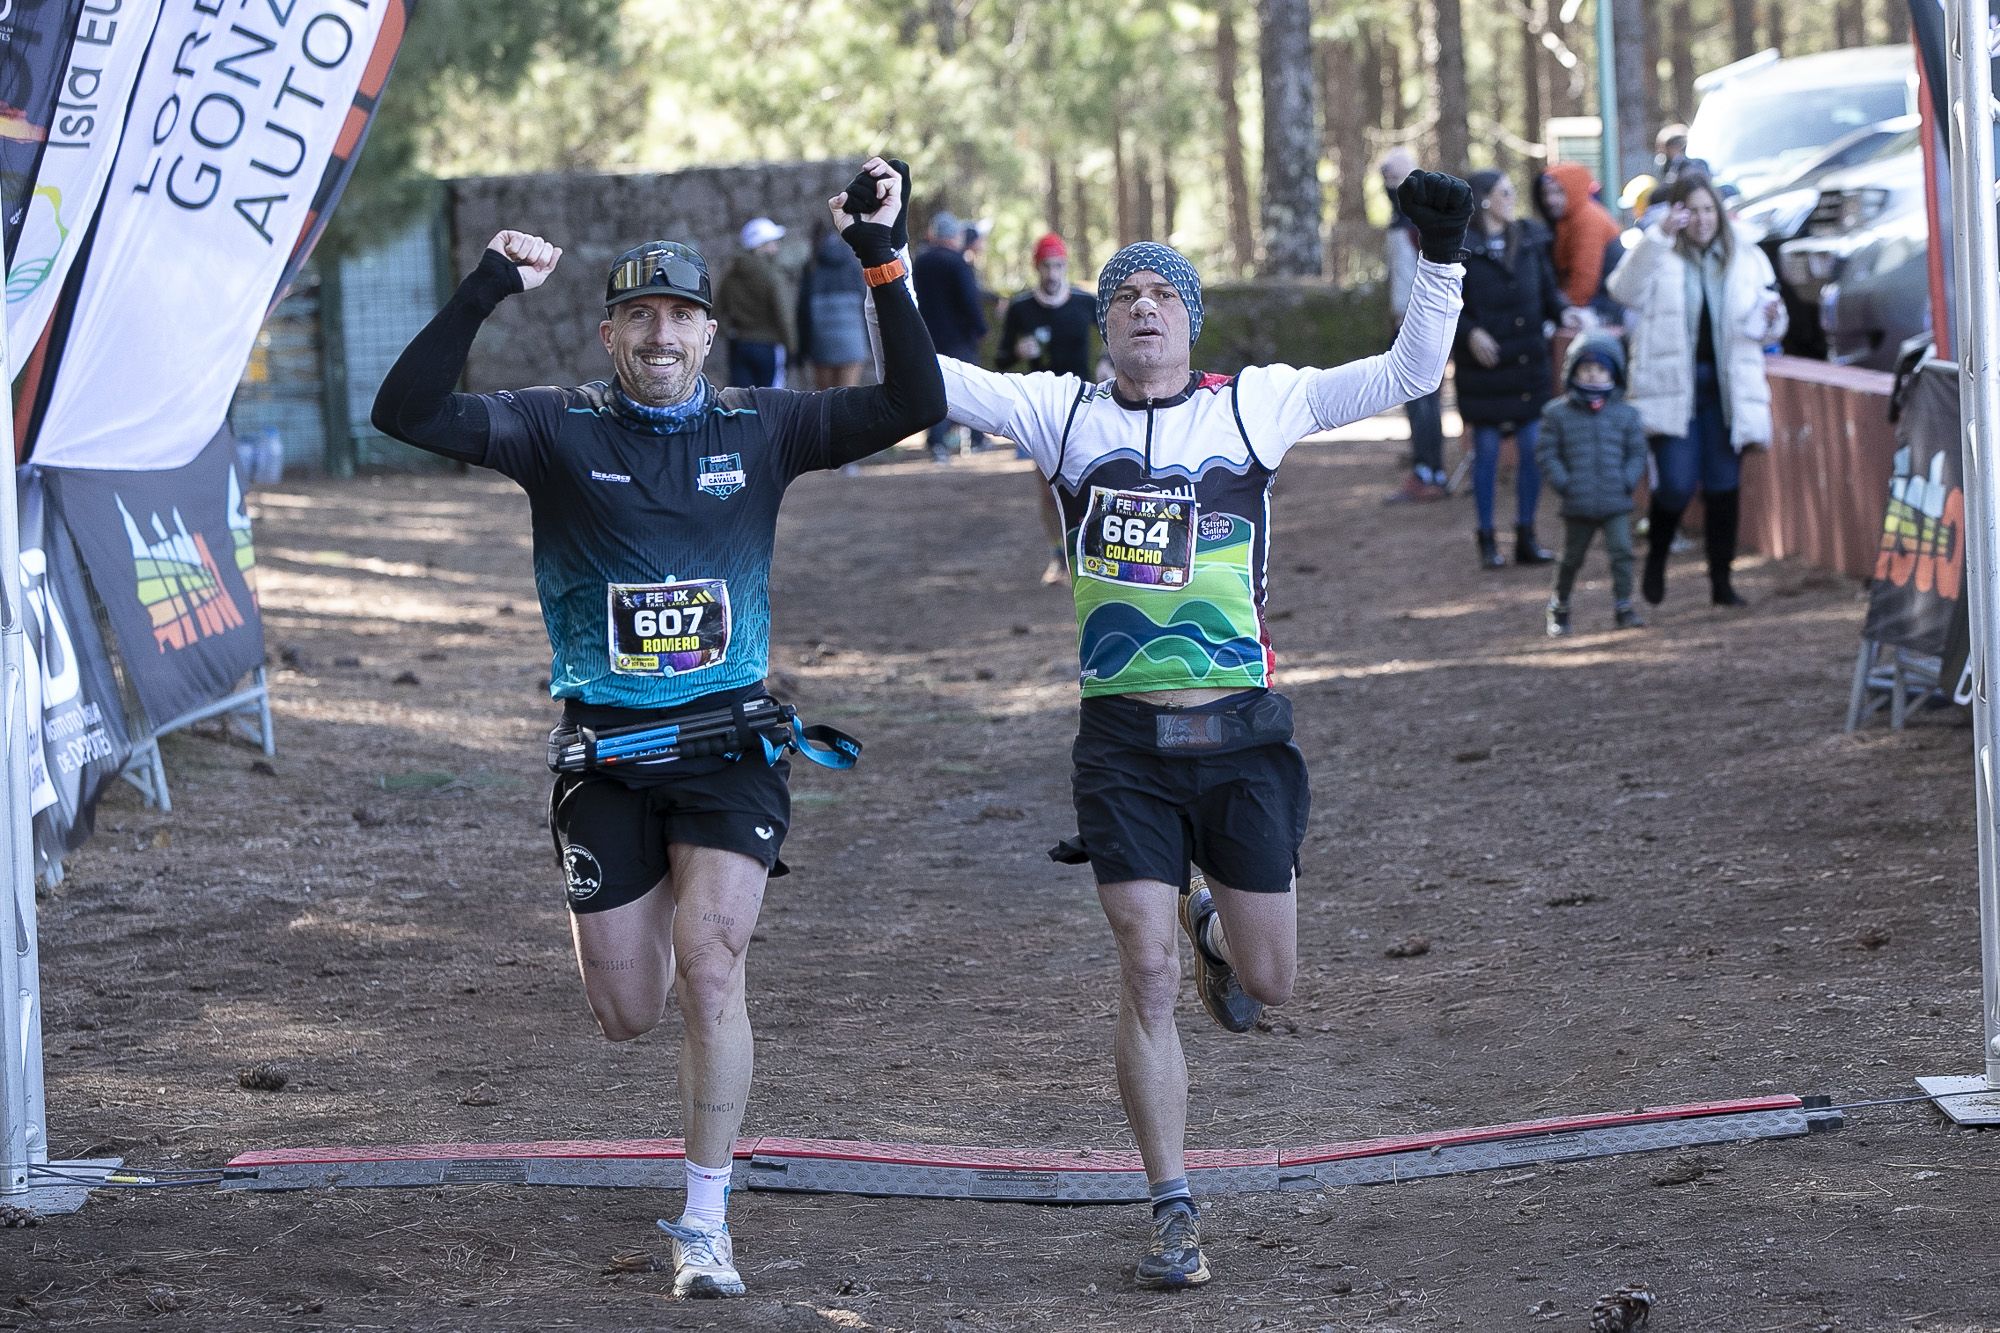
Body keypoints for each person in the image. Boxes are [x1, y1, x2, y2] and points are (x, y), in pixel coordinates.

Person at [869, 168, 1472, 1289]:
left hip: (1240, 735)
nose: (1144, 302)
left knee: (1272, 985)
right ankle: (1171, 1205)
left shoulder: (1254, 405)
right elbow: (922, 382)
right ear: (1102, 326)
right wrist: (885, 260)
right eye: (1124, 293)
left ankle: (1216, 936)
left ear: (1190, 320)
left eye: (1164, 290)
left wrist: (1438, 255)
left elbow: (1407, 372)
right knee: (1137, 969)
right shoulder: (1061, 414)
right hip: (1122, 746)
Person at [369, 159, 944, 1299]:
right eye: (640, 314)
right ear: (608, 334)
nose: (661, 331)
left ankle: (704, 1218)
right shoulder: (551, 428)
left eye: (680, 313)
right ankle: (684, 1102)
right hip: (606, 756)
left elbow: (909, 405)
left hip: (731, 746)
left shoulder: (762, 426)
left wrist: (883, 257)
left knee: (711, 964)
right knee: (629, 1011)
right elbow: (405, 411)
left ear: (707, 333)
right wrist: (487, 284)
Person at [1605, 171, 1786, 608]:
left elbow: (1768, 324)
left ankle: (1721, 583)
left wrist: (1772, 318)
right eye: (1693, 210)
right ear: (1677, 212)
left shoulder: (1744, 254)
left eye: (1710, 210)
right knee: (1677, 485)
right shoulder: (1660, 252)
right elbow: (1622, 291)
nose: (1703, 220)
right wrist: (1656, 238)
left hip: (1727, 391)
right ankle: (1657, 559)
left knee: (1724, 485)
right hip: (1674, 389)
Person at [1455, 169, 1573, 569]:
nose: (1512, 199)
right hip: (1484, 369)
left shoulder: (1530, 238)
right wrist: (1470, 333)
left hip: (1527, 364)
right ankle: (1487, 539)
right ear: (1486, 198)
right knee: (1486, 452)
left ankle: (1527, 534)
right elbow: (1447, 306)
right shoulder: (1461, 247)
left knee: (1532, 448)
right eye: (1505, 193)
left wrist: (1566, 312)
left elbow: (1547, 292)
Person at [997, 232, 1098, 580]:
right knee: (1047, 487)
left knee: (1087, 480)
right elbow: (1000, 359)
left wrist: (1108, 366)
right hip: (1040, 406)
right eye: (1046, 266)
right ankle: (1058, 557)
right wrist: (1017, 353)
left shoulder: (1086, 304)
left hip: (1084, 403)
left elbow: (1114, 342)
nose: (1053, 273)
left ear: (1066, 266)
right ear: (1036, 267)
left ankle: (1086, 554)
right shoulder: (1022, 308)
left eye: (1058, 265)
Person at [1537, 333, 1648, 636]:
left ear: (1614, 374)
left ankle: (1624, 606)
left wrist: (1627, 479)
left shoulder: (1626, 415)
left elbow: (1638, 452)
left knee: (1622, 552)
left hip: (1616, 500)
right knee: (1571, 558)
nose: (1593, 375)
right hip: (1578, 501)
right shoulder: (1557, 414)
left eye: (1600, 370)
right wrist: (1565, 483)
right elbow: (1547, 453)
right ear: (1573, 372)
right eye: (1586, 369)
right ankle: (1559, 607)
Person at [1381, 146, 1448, 501]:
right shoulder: (1399, 220)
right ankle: (1426, 469)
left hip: (1420, 325)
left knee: (1423, 399)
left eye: (1397, 176)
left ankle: (1430, 473)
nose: (1391, 184)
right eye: (1387, 177)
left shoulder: (1419, 220)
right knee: (1415, 400)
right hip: (1402, 323)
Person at [911, 211, 989, 461]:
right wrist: (980, 328)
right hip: (958, 339)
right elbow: (969, 299)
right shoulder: (957, 263)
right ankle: (976, 438)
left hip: (928, 337)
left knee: (937, 388)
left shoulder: (920, 262)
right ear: (955, 236)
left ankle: (938, 442)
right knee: (969, 387)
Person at [1532, 161, 1625, 324]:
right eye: (1545, 194)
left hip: (1606, 304)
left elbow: (1584, 279)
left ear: (1573, 189)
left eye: (1558, 192)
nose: (1550, 200)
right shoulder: (1566, 220)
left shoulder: (1587, 219)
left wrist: (1566, 311)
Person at [716, 216, 795, 388]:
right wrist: (792, 347)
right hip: (768, 346)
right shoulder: (772, 276)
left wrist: (729, 333)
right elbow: (783, 315)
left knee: (740, 400)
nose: (776, 247)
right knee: (771, 401)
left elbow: (718, 311)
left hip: (739, 344)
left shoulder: (731, 275)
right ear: (761, 246)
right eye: (772, 242)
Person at [795, 222, 869, 389]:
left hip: (821, 344)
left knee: (825, 398)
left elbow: (803, 312)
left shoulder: (812, 266)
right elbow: (866, 304)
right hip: (853, 342)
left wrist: (802, 350)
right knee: (847, 396)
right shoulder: (853, 265)